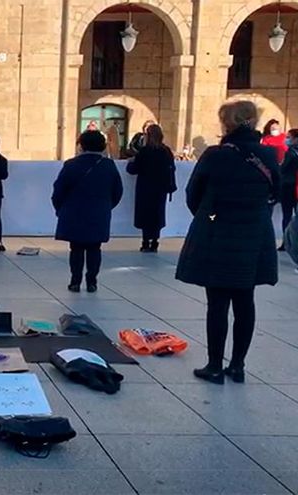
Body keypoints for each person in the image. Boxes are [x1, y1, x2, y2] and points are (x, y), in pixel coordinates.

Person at [176, 101, 279, 385]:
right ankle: (238, 365)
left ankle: (214, 365)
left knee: (217, 302)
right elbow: (276, 190)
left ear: (227, 123)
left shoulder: (215, 155)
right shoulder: (267, 154)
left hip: (219, 232)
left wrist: (208, 215)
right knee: (246, 300)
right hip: (255, 235)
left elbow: (193, 194)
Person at [52, 130, 124, 293]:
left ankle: (75, 281)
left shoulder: (71, 165)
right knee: (94, 248)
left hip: (74, 213)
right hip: (98, 214)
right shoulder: (108, 165)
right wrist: (106, 207)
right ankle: (92, 281)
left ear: (81, 145)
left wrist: (61, 209)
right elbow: (118, 191)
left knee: (76, 249)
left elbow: (58, 190)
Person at [126, 124, 177, 253]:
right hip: (161, 188)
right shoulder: (166, 151)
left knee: (145, 214)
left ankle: (145, 241)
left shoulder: (145, 151)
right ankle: (155, 241)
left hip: (145, 188)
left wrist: (131, 162)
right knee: (157, 214)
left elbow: (133, 170)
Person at [279, 128, 298, 250]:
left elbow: (283, 169)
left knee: (286, 214)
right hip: (296, 186)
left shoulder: (290, 153)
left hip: (288, 185)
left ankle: (286, 242)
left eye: (289, 137)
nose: (287, 139)